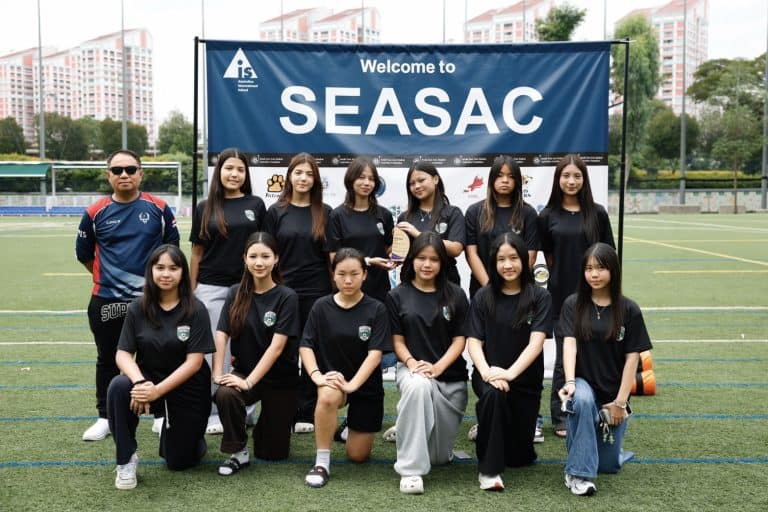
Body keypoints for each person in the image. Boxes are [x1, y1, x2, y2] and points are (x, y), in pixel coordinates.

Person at [76, 149, 180, 442]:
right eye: (117, 170)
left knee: (158, 355)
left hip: (152, 300)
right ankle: (106, 416)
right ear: (108, 175)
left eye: (131, 169)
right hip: (107, 300)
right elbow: (84, 255)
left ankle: (160, 413)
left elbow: (171, 252)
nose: (124, 175)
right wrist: (110, 280)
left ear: (140, 174)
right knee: (108, 358)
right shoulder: (94, 212)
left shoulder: (159, 208)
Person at [107, 244, 214, 490]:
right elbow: (123, 354)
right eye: (160, 268)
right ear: (151, 271)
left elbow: (194, 362)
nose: (166, 274)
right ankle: (126, 458)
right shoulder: (138, 307)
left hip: (187, 388)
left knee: (178, 462)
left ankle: (191, 438)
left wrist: (157, 391)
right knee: (118, 386)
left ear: (183, 273)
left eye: (173, 268)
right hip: (148, 380)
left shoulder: (196, 309)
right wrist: (140, 383)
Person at [557, 242, 652, 496]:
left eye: (600, 268)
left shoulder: (629, 309)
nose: (594, 274)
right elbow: (569, 344)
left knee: (608, 466)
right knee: (582, 400)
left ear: (613, 270)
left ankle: (608, 453)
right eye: (588, 269)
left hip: (613, 395)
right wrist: (570, 382)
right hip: (583, 384)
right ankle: (578, 475)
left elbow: (632, 359)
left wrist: (620, 402)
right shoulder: (573, 304)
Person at [466, 233, 552, 491]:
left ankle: (490, 428)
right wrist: (487, 373)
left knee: (518, 458)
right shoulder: (483, 296)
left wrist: (510, 374)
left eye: (513, 258)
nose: (508, 265)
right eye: (501, 259)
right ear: (493, 263)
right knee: (494, 396)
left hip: (524, 382)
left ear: (524, 259)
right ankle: (489, 472)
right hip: (489, 377)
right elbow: (473, 342)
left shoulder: (540, 297)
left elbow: (536, 343)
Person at [299, 248, 390, 488]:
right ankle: (322, 462)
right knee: (328, 395)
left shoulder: (377, 309)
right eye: (341, 274)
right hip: (334, 381)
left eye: (354, 274)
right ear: (333, 275)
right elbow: (306, 346)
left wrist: (352, 385)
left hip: (364, 385)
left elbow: (375, 355)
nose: (348, 280)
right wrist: (317, 376)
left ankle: (346, 428)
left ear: (365, 275)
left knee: (358, 456)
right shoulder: (320, 307)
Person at [189, 147, 265, 434]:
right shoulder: (204, 207)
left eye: (240, 169)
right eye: (229, 168)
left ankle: (246, 407)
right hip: (211, 288)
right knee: (214, 354)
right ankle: (215, 411)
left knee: (249, 350)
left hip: (249, 289)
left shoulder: (256, 204)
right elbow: (196, 253)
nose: (234, 174)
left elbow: (264, 249)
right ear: (218, 172)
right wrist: (191, 291)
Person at [538, 154, 615, 438]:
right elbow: (548, 257)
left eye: (577, 176)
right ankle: (561, 415)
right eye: (566, 176)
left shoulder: (597, 214)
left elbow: (608, 255)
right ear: (558, 180)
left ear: (584, 179)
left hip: (595, 295)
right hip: (561, 296)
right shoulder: (547, 216)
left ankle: (597, 408)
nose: (571, 181)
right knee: (563, 358)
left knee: (595, 352)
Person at [386, 232, 469, 494]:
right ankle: (411, 470)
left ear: (442, 263)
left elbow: (460, 340)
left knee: (439, 459)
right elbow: (397, 341)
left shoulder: (456, 294)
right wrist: (412, 363)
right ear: (412, 260)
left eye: (434, 259)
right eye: (421, 258)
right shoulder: (397, 296)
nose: (427, 264)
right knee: (418, 386)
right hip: (413, 371)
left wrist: (438, 367)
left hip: (450, 377)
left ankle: (407, 423)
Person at [212, 232, 299, 475]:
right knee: (226, 393)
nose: (259, 262)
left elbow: (277, 347)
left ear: (276, 259)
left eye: (265, 256)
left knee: (272, 453)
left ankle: (269, 425)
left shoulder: (287, 297)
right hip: (245, 372)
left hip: (280, 379)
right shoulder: (235, 292)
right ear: (245, 259)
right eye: (253, 256)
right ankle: (238, 452)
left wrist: (249, 382)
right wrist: (218, 373)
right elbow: (221, 334)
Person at [264, 152, 332, 434]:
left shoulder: (325, 212)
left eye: (309, 174)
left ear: (315, 179)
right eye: (298, 173)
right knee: (284, 353)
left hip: (317, 291)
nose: (303, 178)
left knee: (313, 352)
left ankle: (307, 411)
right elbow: (266, 254)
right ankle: (285, 409)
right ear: (289, 176)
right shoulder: (275, 212)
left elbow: (331, 258)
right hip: (283, 293)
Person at [465, 156, 538, 297]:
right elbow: (471, 254)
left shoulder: (528, 213)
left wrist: (511, 286)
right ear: (492, 179)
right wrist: (489, 287)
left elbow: (531, 255)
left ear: (517, 181)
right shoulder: (474, 212)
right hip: (483, 290)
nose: (505, 180)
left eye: (511, 176)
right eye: (499, 175)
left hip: (520, 290)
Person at [328, 157, 395, 301]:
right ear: (351, 180)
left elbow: (388, 248)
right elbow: (334, 258)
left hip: (379, 288)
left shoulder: (384, 214)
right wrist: (368, 261)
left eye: (371, 179)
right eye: (361, 177)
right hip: (348, 288)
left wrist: (398, 253)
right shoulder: (337, 216)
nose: (367, 183)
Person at [396, 161, 465, 285]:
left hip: (446, 283)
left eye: (421, 180)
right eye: (412, 183)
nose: (417, 186)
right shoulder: (404, 217)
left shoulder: (452, 213)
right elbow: (399, 255)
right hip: (410, 284)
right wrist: (394, 251)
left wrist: (418, 235)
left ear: (435, 179)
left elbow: (456, 249)